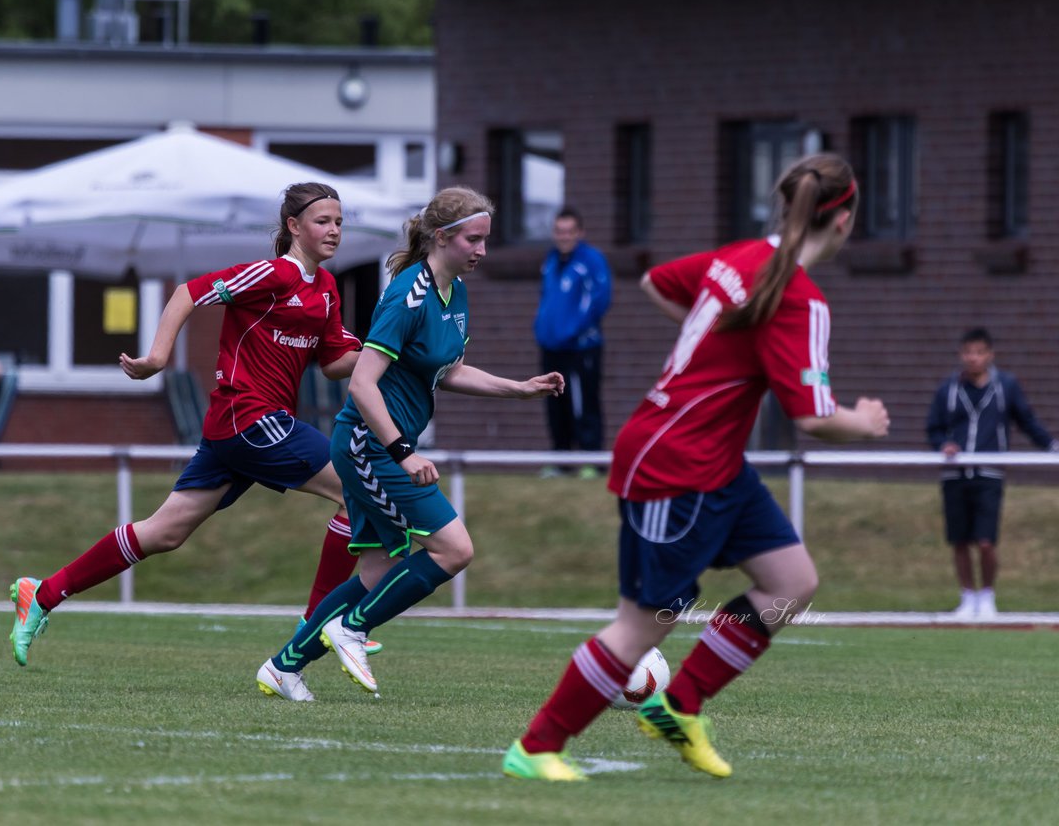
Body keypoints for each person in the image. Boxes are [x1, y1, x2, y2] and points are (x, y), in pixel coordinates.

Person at [502, 153, 890, 782]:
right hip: (674, 462)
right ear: (844, 218)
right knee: (642, 626)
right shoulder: (800, 299)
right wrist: (866, 421)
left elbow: (657, 281)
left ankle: (678, 707)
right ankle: (537, 747)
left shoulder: (738, 259)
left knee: (791, 582)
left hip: (716, 463)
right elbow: (815, 417)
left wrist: (717, 347)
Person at [7, 182, 382, 665]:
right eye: (322, 222)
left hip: (244, 429)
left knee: (164, 532)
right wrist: (158, 357)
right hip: (249, 418)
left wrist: (390, 353)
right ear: (293, 226)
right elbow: (189, 293)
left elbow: (335, 362)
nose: (334, 231)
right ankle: (318, 622)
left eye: (338, 223)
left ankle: (41, 594)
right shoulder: (271, 274)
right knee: (358, 490)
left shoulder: (325, 289)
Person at [256, 186, 564, 702]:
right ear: (442, 237)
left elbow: (449, 370)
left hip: (379, 445)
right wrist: (404, 450)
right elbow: (361, 383)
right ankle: (351, 629)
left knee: (376, 570)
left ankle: (284, 666)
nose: (482, 251)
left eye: (485, 240)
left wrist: (519, 388)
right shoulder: (407, 294)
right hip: (367, 445)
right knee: (453, 548)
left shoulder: (454, 291)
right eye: (474, 240)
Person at [925, 327, 1057, 620]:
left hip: (989, 474)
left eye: (979, 352)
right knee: (959, 540)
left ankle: (986, 596)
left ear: (990, 354)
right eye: (968, 352)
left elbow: (1026, 420)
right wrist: (942, 445)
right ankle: (967, 596)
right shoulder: (948, 388)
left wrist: (1051, 446)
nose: (973, 358)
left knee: (985, 541)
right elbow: (933, 427)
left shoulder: (1005, 386)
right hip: (955, 474)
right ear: (962, 355)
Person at [533, 207, 611, 479]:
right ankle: (561, 460)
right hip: (552, 347)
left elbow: (598, 302)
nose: (563, 236)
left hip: (581, 347)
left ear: (579, 233)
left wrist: (571, 331)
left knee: (585, 403)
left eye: (569, 231)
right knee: (555, 403)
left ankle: (591, 460)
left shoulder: (591, 261)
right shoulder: (551, 261)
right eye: (559, 231)